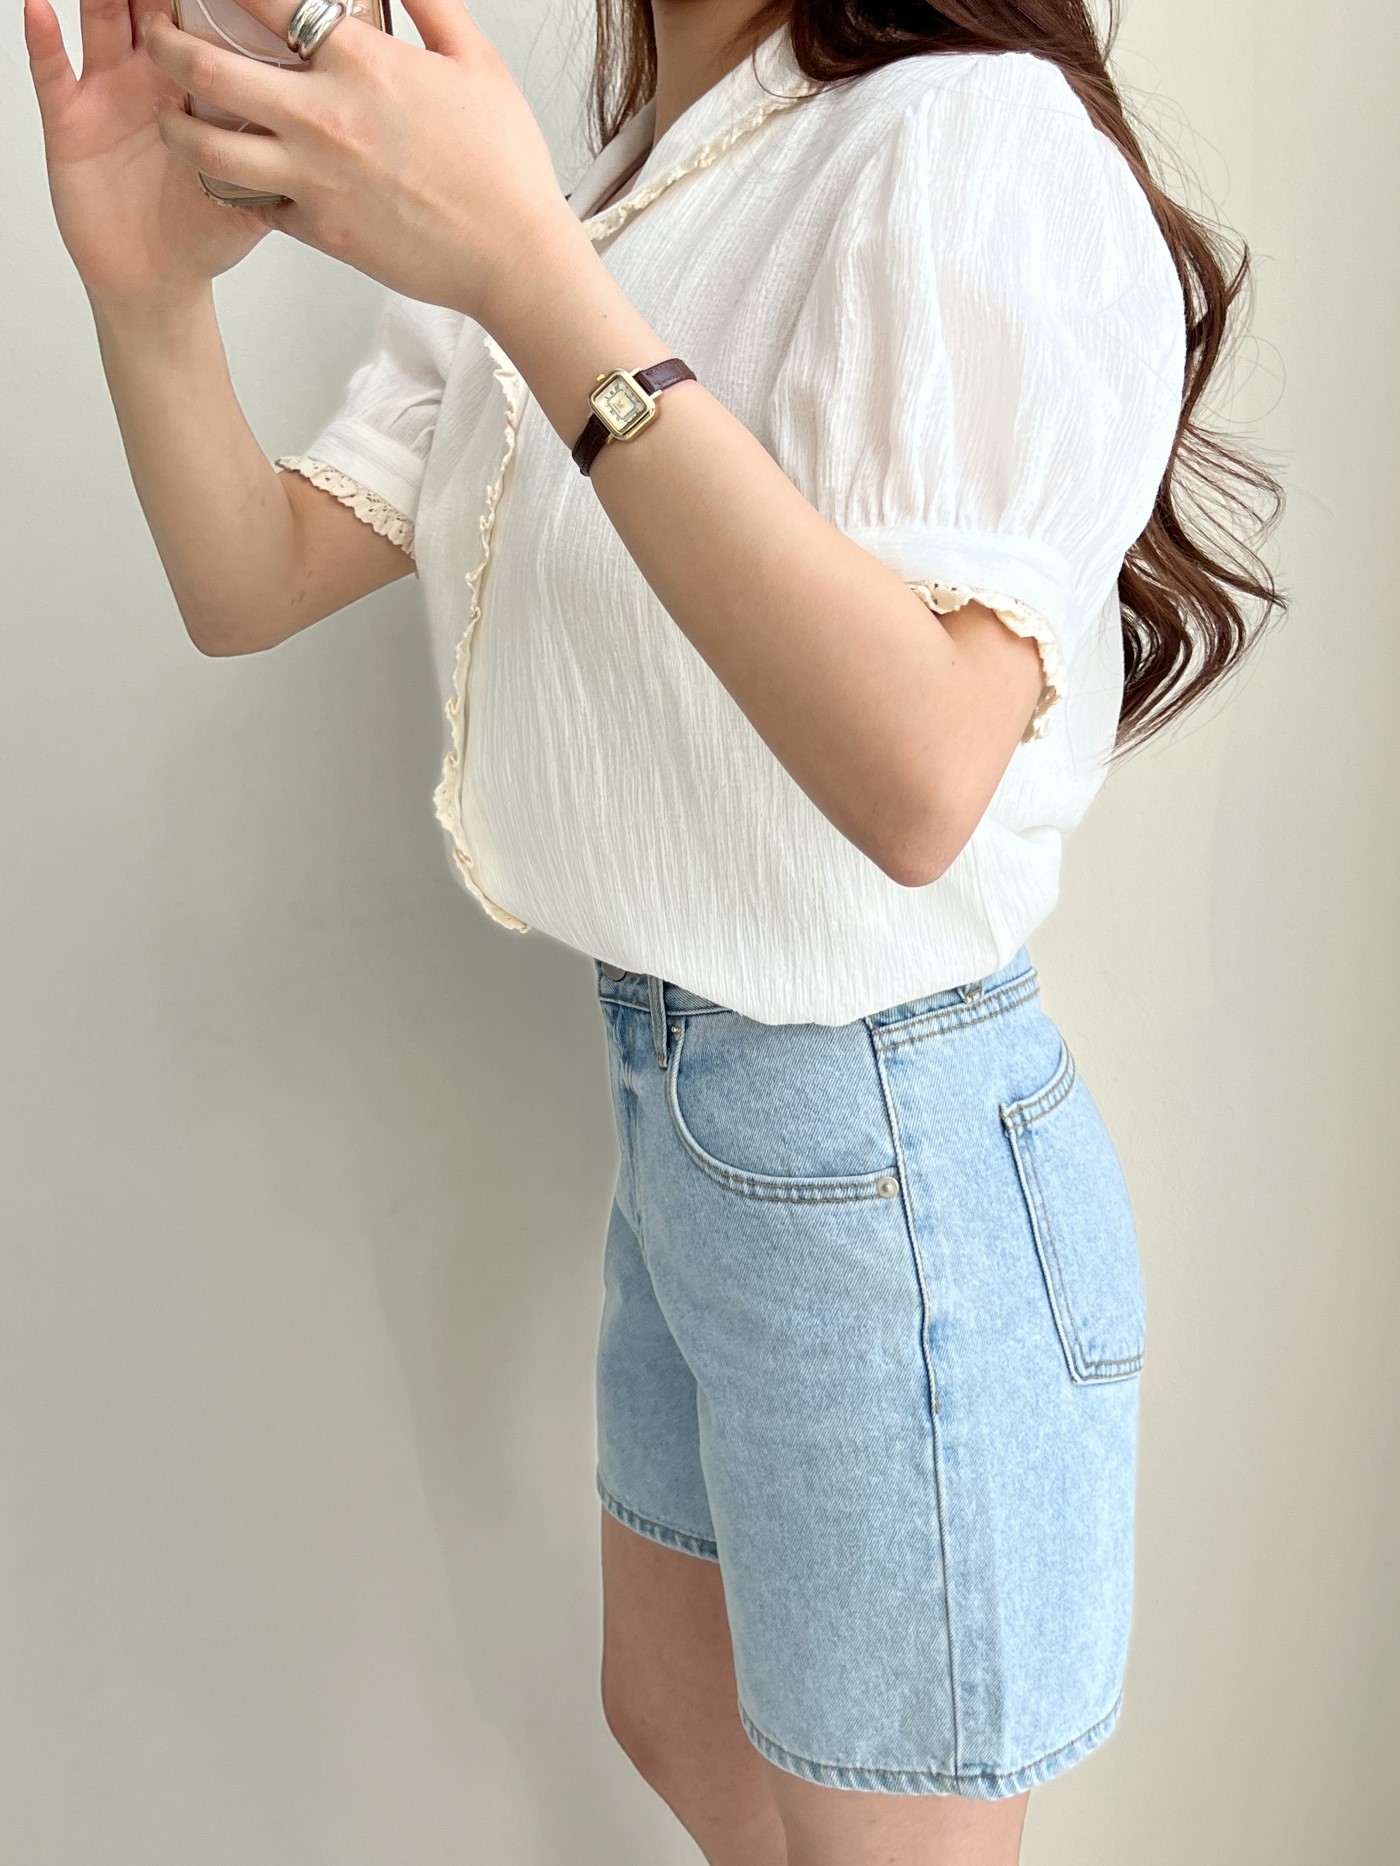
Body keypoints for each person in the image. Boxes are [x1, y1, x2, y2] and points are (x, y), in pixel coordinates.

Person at [25, 0, 1284, 1858]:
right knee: (686, 1729)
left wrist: (524, 270)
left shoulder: (962, 138)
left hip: (888, 1144)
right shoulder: (603, 187)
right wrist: (145, 298)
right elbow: (251, 575)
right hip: (685, 1110)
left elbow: (920, 774)